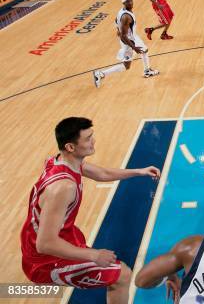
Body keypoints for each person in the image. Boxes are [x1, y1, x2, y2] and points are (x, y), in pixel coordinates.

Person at [20, 117, 160, 303]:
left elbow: (102, 174)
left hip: (52, 236)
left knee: (116, 272)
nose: (93, 141)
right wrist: (94, 254)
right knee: (122, 276)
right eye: (87, 138)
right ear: (70, 146)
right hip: (45, 259)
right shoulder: (63, 187)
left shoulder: (62, 161)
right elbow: (45, 243)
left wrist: (139, 171)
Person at [93, 0, 159, 88]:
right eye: (127, 1)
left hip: (133, 37)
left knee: (145, 50)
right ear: (123, 3)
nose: (130, 3)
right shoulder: (126, 17)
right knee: (126, 66)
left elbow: (116, 20)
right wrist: (134, 47)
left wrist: (118, 29)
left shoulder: (122, 11)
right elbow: (123, 35)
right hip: (128, 42)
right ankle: (100, 74)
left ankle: (147, 71)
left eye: (131, 0)